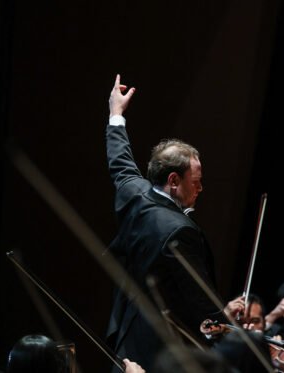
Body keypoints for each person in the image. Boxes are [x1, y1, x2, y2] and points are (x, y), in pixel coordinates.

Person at [105, 75, 243, 371]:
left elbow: (120, 160)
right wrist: (225, 320)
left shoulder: (135, 191)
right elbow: (200, 302)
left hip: (126, 331)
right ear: (173, 180)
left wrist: (116, 114)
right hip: (158, 350)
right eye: (196, 182)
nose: (201, 189)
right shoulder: (180, 230)